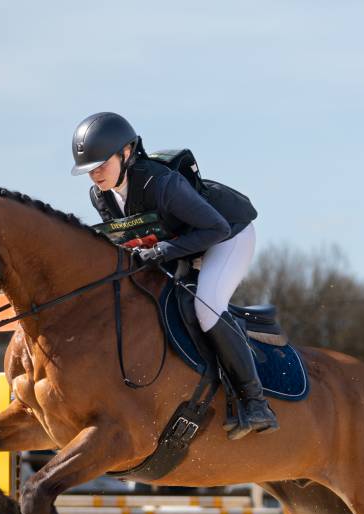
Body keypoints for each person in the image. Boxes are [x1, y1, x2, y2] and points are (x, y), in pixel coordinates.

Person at [70, 112, 277, 438]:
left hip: (227, 236)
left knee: (206, 306)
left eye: (101, 164)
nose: (95, 174)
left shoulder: (162, 184)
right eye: (88, 169)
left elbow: (216, 228)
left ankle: (256, 402)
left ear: (126, 153)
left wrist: (162, 252)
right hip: (184, 242)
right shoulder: (100, 195)